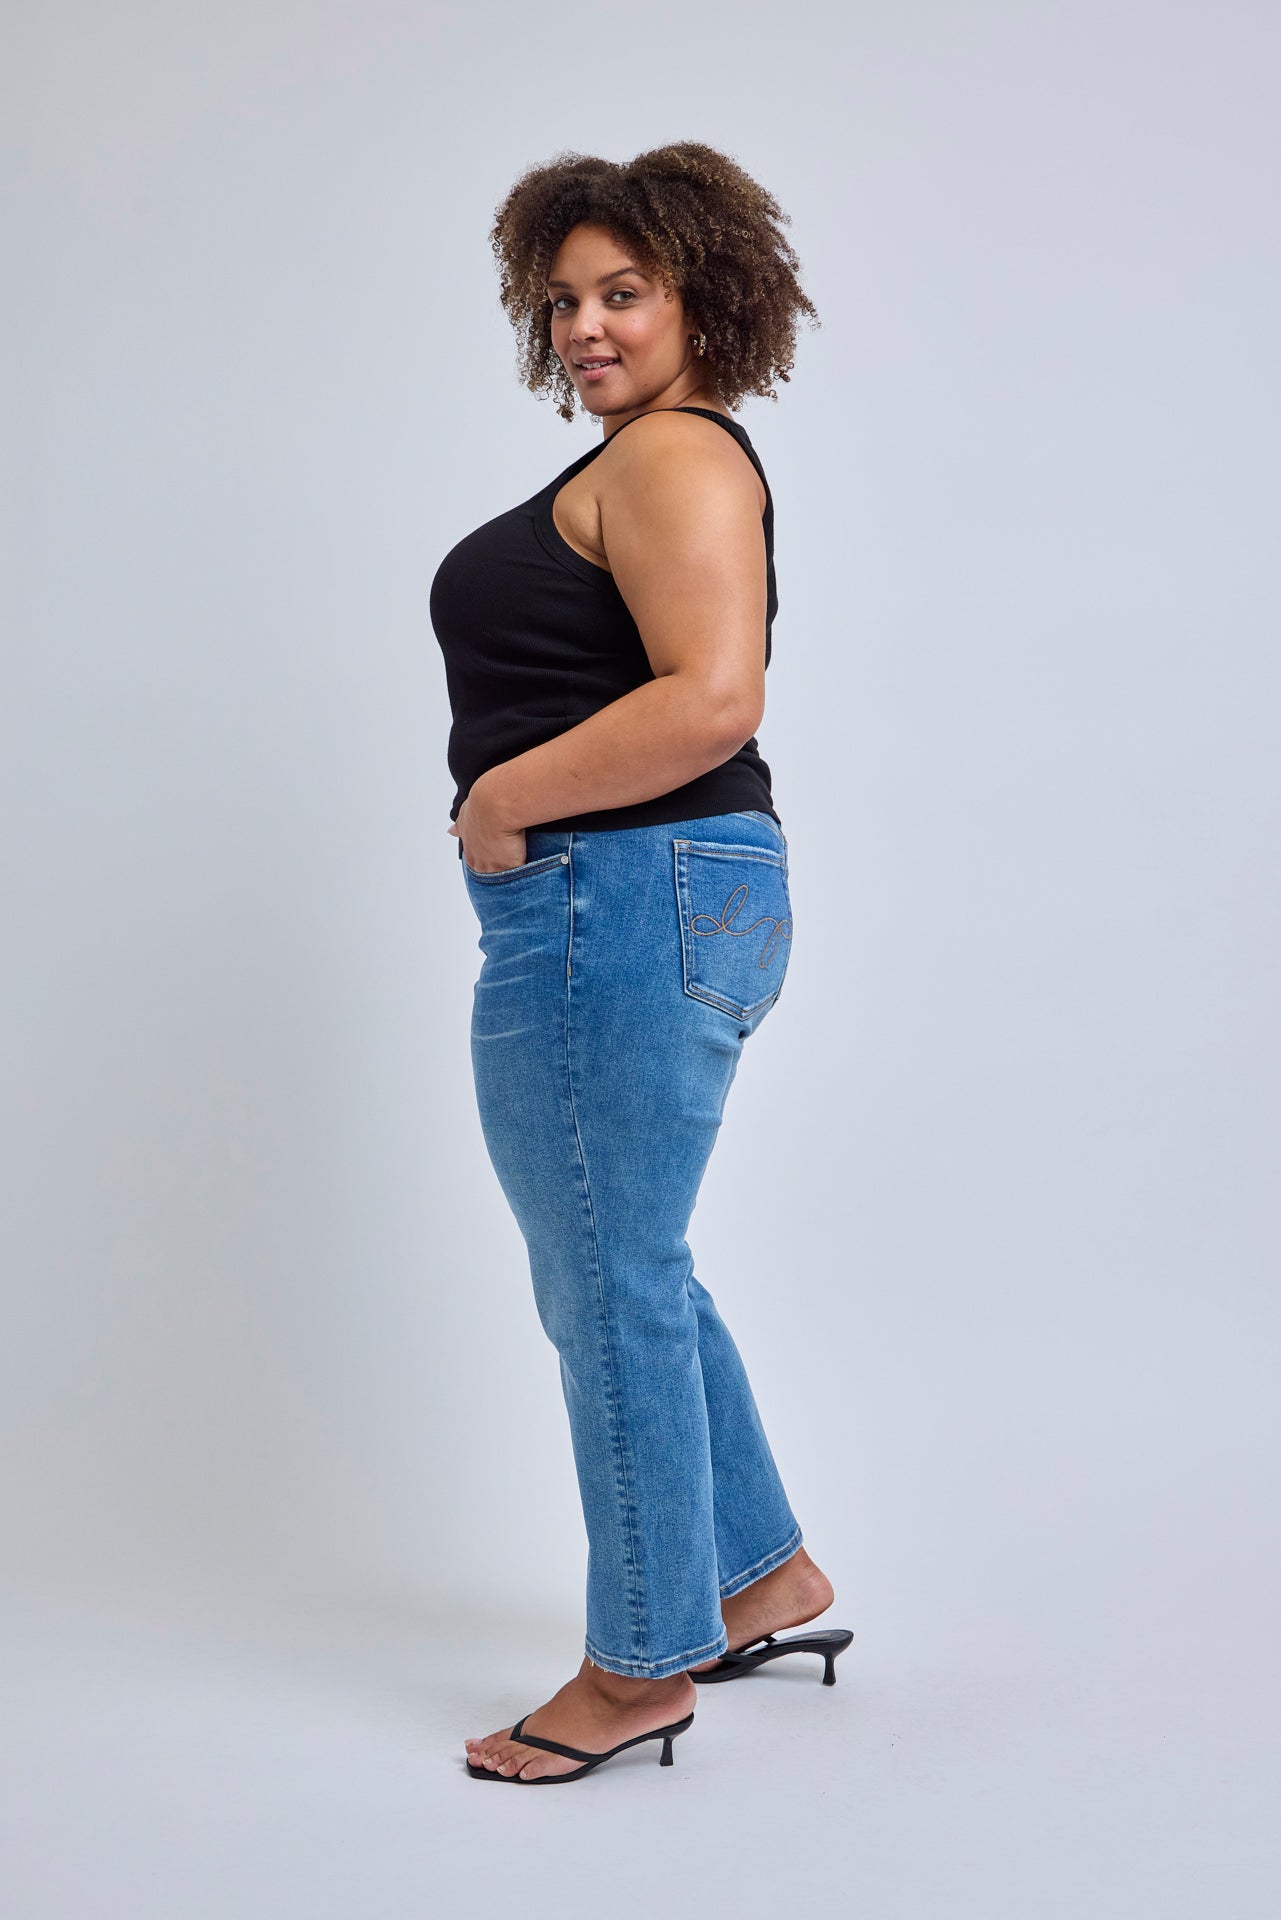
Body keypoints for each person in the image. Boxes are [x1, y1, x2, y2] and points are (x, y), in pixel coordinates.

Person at [430, 142, 851, 1786]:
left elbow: (710, 698)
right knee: (628, 1262)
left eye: (625, 292)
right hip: (656, 890)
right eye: (566, 301)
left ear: (703, 294)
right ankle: (755, 1575)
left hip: (620, 887)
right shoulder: (647, 456)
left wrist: (498, 800)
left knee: (604, 1276)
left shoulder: (673, 457)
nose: (589, 328)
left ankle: (637, 1664)